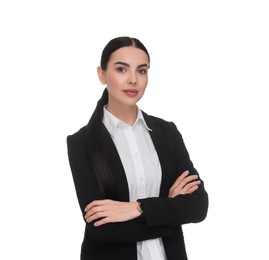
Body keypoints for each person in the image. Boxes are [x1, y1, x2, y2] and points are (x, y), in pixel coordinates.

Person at [67, 36, 208, 260]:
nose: (133, 79)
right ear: (102, 74)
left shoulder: (167, 133)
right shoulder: (81, 143)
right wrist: (170, 211)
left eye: (142, 71)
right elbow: (102, 228)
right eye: (121, 69)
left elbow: (198, 206)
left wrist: (135, 209)